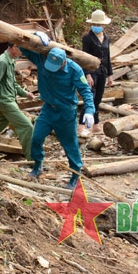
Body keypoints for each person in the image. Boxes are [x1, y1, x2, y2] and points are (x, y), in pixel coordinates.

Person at [19, 45, 95, 189]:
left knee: (70, 145)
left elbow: (85, 90)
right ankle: (38, 165)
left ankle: (75, 175)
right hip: (48, 109)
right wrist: (37, 36)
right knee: (36, 138)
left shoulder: (74, 69)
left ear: (64, 62)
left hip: (66, 112)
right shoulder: (42, 61)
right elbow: (23, 45)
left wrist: (90, 110)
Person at [0, 43, 35, 159]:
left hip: (9, 99)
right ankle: (32, 159)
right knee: (27, 127)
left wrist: (25, 93)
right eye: (21, 50)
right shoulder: (2, 62)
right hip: (5, 102)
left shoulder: (11, 61)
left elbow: (12, 83)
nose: (22, 53)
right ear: (14, 46)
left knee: (1, 123)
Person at [79, 9, 113, 137]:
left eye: (99, 25)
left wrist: (110, 74)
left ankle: (96, 123)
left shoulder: (106, 38)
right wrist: (87, 74)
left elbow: (108, 57)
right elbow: (84, 57)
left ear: (104, 25)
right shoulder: (87, 38)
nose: (97, 27)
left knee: (98, 98)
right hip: (92, 71)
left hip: (102, 71)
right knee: (90, 98)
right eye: (95, 24)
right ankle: (82, 124)